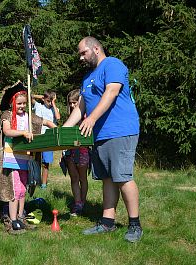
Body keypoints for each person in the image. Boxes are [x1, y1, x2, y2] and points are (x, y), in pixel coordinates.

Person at [64, 36, 142, 242]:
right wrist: (62, 132)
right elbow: (80, 108)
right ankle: (108, 222)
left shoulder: (112, 64)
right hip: (99, 134)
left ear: (96, 48)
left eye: (83, 52)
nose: (81, 57)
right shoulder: (88, 77)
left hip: (120, 129)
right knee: (106, 178)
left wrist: (92, 118)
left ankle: (135, 224)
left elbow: (112, 91)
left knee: (122, 176)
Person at [0, 81, 56, 234]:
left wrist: (55, 128)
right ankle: (12, 219)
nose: (22, 106)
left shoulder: (29, 116)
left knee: (23, 188)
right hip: (11, 158)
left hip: (25, 159)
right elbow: (7, 131)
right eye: (19, 103)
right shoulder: (7, 115)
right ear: (12, 103)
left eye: (24, 104)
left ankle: (21, 216)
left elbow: (46, 121)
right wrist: (22, 133)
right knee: (14, 189)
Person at [63, 89, 90, 216]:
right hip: (70, 153)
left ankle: (83, 202)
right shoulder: (69, 118)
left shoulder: (86, 117)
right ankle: (77, 203)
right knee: (74, 178)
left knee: (83, 179)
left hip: (83, 152)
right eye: (70, 103)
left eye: (75, 102)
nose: (73, 105)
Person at [33, 90, 60, 189]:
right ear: (44, 99)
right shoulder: (38, 106)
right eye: (48, 101)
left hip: (48, 138)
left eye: (51, 101)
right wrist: (41, 97)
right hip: (38, 136)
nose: (49, 103)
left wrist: (53, 103)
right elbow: (30, 96)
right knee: (36, 160)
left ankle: (43, 184)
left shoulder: (54, 109)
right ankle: (35, 180)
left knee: (46, 162)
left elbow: (58, 117)